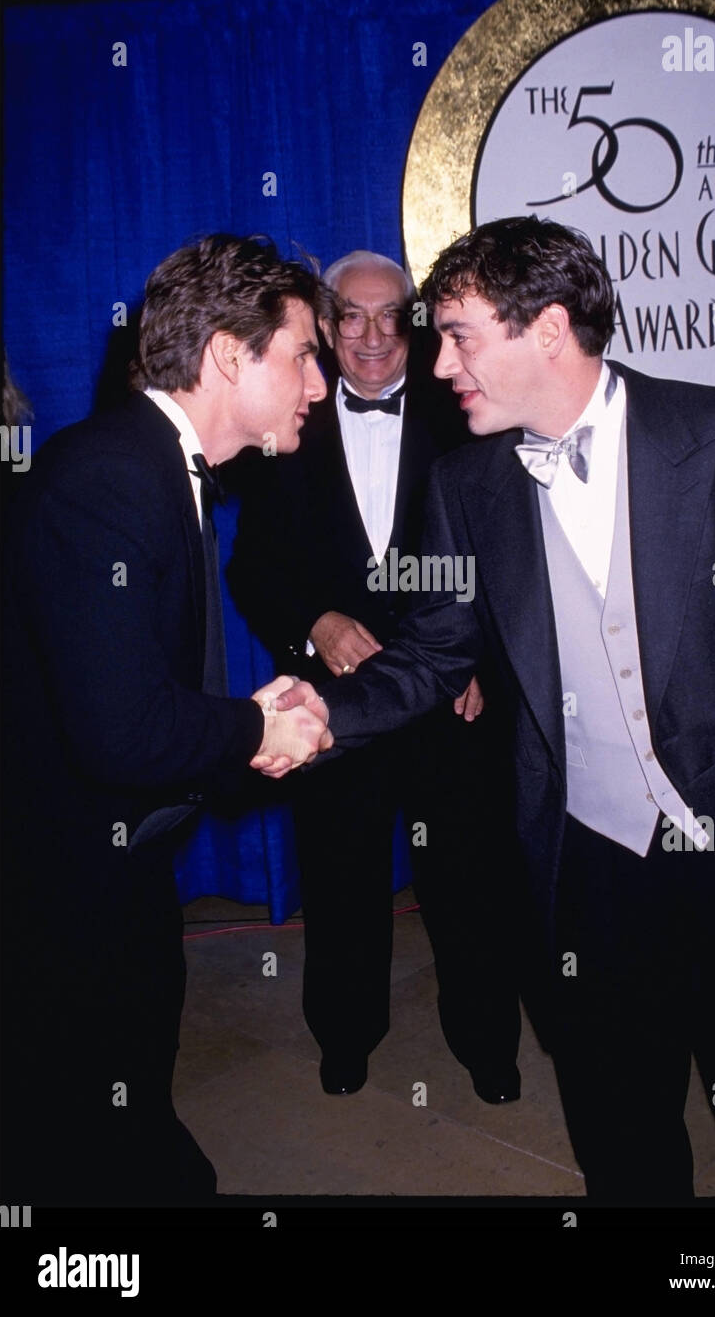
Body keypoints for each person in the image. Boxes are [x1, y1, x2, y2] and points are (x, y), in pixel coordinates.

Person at [273, 216, 715, 1205]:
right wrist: (318, 718)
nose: (435, 359)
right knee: (619, 1129)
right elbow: (430, 655)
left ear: (544, 328)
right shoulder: (464, 484)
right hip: (584, 866)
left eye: (455, 333)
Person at [0, 233, 331, 1205]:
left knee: (133, 1103)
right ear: (231, 353)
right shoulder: (108, 476)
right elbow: (119, 730)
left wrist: (242, 720)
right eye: (302, 353)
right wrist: (252, 733)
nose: (316, 384)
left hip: (120, 870)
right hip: (61, 891)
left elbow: (140, 692)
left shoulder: (157, 463)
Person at [228, 251, 521, 1101]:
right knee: (342, 880)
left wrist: (478, 658)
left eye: (390, 315)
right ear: (325, 324)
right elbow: (252, 571)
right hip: (336, 707)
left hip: (452, 704)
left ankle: (488, 1047)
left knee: (470, 885)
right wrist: (315, 623)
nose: (369, 336)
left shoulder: (464, 411)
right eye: (349, 317)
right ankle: (346, 1040)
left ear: (415, 323)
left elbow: (511, 556)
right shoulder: (290, 421)